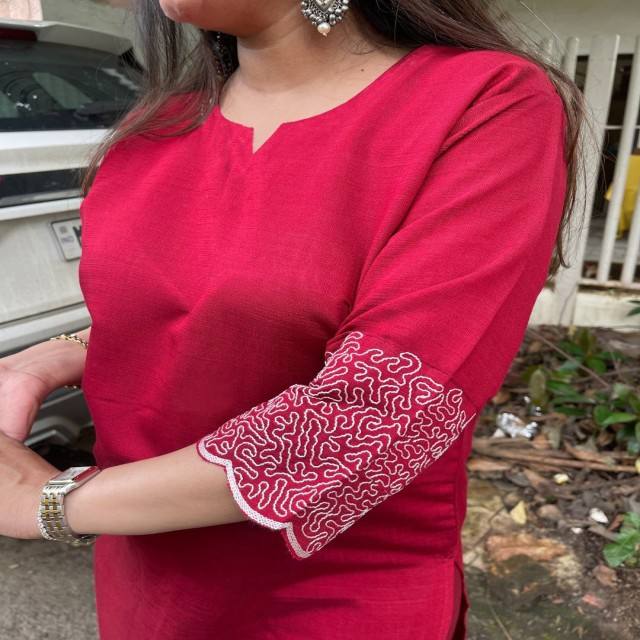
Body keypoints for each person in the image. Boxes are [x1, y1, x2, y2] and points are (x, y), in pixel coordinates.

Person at [0, 1, 587, 638]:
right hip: (144, 577)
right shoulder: (159, 124)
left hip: (329, 597)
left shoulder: (481, 102)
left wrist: (49, 500)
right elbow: (207, 306)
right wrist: (67, 349)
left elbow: (382, 410)